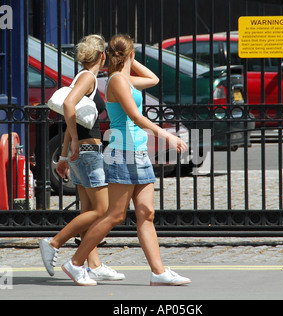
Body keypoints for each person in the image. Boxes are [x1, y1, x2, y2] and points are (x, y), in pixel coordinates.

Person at [61, 34, 191, 286]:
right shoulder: (117, 81)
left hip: (138, 153)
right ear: (128, 53)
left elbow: (154, 79)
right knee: (115, 215)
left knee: (146, 213)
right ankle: (75, 263)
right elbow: (135, 115)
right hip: (122, 154)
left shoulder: (125, 78)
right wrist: (166, 134)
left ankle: (158, 272)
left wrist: (131, 58)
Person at [39, 34, 125, 286]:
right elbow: (68, 104)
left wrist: (65, 154)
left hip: (81, 154)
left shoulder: (83, 77)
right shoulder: (88, 77)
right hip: (88, 153)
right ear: (102, 56)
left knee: (88, 211)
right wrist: (76, 142)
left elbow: (70, 120)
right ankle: (53, 242)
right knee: (103, 210)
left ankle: (94, 265)